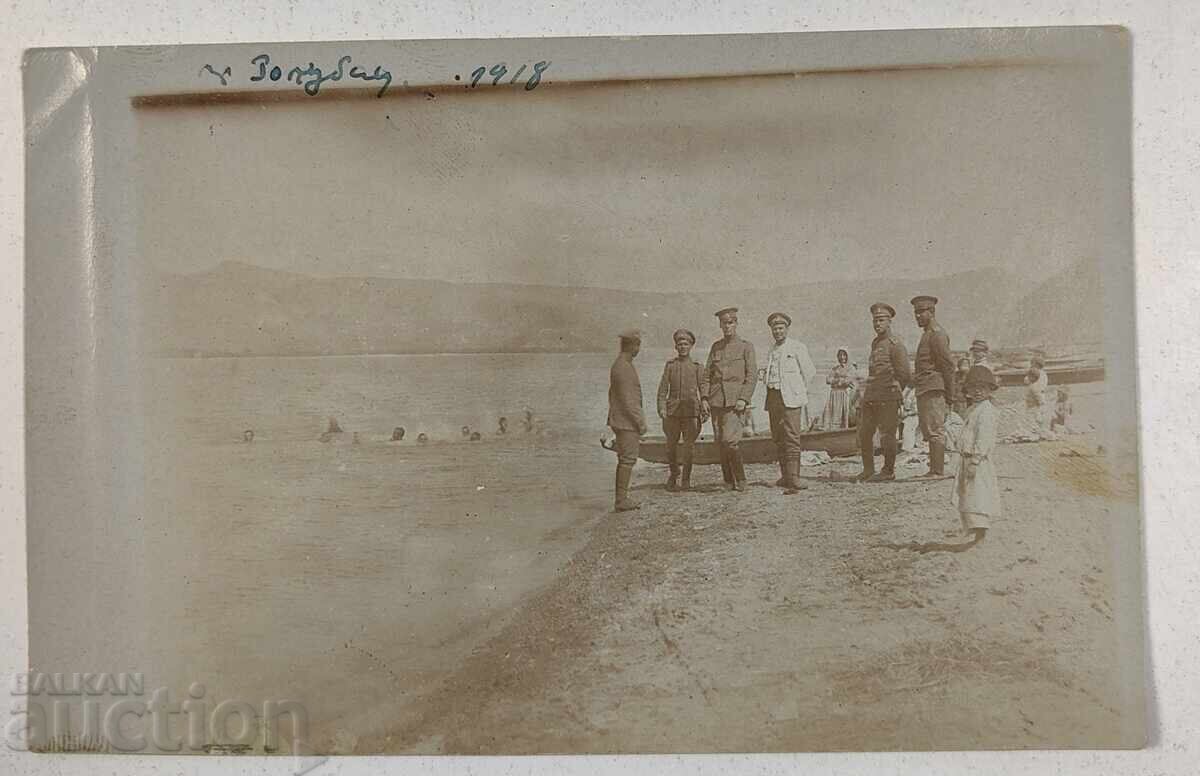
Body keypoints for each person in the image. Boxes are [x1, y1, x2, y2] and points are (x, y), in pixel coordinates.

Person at [702, 307, 758, 492]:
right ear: (720, 325)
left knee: (730, 441)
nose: (727, 326)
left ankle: (741, 479)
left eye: (730, 322)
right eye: (724, 323)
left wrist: (744, 398)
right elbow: (707, 375)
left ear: (736, 323)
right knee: (720, 442)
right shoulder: (716, 347)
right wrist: (704, 398)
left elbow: (752, 376)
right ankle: (728, 481)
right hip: (716, 400)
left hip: (735, 402)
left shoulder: (746, 347)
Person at [856, 302, 912, 481]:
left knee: (887, 435)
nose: (877, 324)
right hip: (872, 396)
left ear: (889, 321)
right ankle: (868, 470)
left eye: (881, 320)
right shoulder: (875, 343)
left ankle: (888, 471)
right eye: (875, 320)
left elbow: (904, 373)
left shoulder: (895, 344)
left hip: (888, 397)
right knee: (865, 433)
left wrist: (894, 391)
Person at [763, 312, 817, 495]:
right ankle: (785, 475)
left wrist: (798, 391)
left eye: (781, 328)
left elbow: (809, 372)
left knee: (792, 437)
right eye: (774, 329)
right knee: (778, 437)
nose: (778, 332)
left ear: (786, 329)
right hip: (773, 397)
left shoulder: (797, 347)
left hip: (791, 398)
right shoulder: (772, 350)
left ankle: (794, 477)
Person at [948, 365, 1002, 543]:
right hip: (966, 458)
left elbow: (983, 438)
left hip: (977, 460)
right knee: (966, 494)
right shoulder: (972, 409)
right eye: (973, 388)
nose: (978, 392)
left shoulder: (986, 412)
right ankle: (971, 528)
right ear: (968, 390)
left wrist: (975, 460)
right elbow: (966, 433)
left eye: (983, 388)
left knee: (978, 495)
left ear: (990, 390)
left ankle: (980, 532)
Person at [656, 328, 708, 493]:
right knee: (670, 446)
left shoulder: (697, 366)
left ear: (691, 346)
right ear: (676, 347)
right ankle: (674, 474)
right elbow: (662, 390)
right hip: (672, 413)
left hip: (691, 412)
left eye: (686, 344)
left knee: (688, 448)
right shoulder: (670, 366)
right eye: (680, 344)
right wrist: (662, 409)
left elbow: (703, 387)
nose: (683, 347)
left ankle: (686, 479)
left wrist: (704, 406)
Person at [911, 295, 957, 478]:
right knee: (930, 429)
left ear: (931, 312)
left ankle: (937, 471)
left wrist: (950, 396)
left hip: (933, 389)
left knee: (935, 430)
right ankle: (934, 469)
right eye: (916, 312)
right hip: (925, 388)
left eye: (921, 312)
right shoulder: (928, 334)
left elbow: (948, 366)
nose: (917, 316)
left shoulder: (937, 334)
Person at [608, 329, 648, 512]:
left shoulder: (620, 365)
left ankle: (621, 498)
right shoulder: (624, 367)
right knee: (627, 459)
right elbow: (629, 401)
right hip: (626, 423)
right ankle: (621, 500)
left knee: (625, 459)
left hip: (621, 420)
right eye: (637, 345)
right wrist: (641, 423)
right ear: (633, 346)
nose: (638, 350)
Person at [818, 347, 856, 431]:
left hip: (844, 394)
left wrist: (837, 381)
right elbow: (828, 380)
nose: (842, 357)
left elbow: (848, 381)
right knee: (833, 412)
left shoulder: (851, 368)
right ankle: (832, 429)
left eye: (844, 355)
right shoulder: (835, 368)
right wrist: (839, 380)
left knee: (844, 411)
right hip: (834, 394)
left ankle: (843, 429)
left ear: (847, 356)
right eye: (840, 355)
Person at [1025, 357, 1051, 437]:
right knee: (1037, 414)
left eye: (1032, 363)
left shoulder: (1035, 373)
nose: (1031, 365)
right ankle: (1038, 429)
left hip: (1036, 395)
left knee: (1035, 414)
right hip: (1039, 394)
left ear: (1036, 364)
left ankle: (1036, 431)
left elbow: (1026, 381)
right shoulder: (1043, 373)